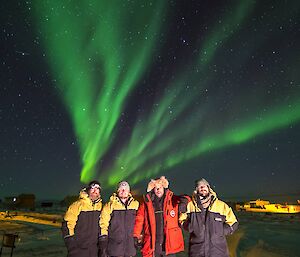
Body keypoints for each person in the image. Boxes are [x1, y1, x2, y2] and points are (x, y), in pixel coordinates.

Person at [179, 178, 238, 257]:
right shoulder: (190, 205)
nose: (202, 188)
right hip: (197, 251)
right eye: (200, 187)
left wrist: (222, 231)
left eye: (204, 186)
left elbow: (233, 222)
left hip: (218, 251)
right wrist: (189, 226)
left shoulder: (221, 205)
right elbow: (181, 219)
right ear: (196, 190)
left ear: (209, 188)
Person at [133, 176, 185, 257]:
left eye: (160, 187)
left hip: (169, 244)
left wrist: (184, 202)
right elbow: (139, 220)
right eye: (156, 188)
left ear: (164, 188)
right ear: (153, 189)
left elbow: (186, 198)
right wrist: (135, 235)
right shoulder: (146, 203)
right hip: (153, 244)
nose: (158, 190)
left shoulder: (172, 199)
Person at [62, 180, 103, 257]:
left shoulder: (101, 206)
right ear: (88, 189)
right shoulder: (77, 205)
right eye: (93, 188)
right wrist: (72, 247)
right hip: (78, 249)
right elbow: (67, 225)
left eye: (97, 189)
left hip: (94, 250)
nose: (95, 191)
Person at [99, 181, 139, 257]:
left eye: (125, 189)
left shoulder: (135, 204)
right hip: (114, 248)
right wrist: (103, 240)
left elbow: (139, 221)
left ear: (128, 191)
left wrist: (136, 237)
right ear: (117, 191)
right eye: (121, 189)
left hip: (130, 248)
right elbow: (103, 223)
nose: (123, 191)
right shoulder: (109, 205)